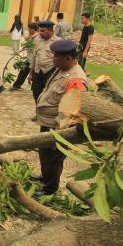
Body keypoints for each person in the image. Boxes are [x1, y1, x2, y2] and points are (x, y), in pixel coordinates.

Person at [34, 39, 89, 197]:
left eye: (56, 57)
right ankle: (45, 177)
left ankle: (49, 189)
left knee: (54, 157)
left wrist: (60, 133)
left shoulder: (76, 79)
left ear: (68, 58)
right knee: (44, 152)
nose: (53, 59)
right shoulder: (61, 69)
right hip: (48, 121)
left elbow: (71, 110)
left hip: (58, 126)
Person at [28, 20, 59, 104]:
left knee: (47, 94)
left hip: (50, 71)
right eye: (39, 30)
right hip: (37, 71)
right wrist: (30, 73)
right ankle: (38, 111)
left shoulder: (58, 42)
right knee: (36, 92)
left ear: (50, 30)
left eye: (42, 31)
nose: (40, 33)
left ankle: (44, 112)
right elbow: (34, 57)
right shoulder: (37, 40)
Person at [11, 22, 39, 90]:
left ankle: (35, 87)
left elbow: (34, 49)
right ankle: (16, 85)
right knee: (23, 71)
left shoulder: (37, 38)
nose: (28, 30)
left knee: (34, 74)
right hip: (29, 58)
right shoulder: (32, 36)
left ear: (33, 29)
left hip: (34, 59)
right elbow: (26, 39)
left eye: (29, 29)